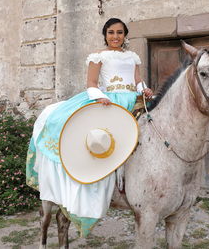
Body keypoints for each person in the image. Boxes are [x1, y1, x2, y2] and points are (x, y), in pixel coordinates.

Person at [26, 18, 153, 237]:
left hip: (133, 100)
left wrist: (145, 89)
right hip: (107, 100)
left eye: (120, 33)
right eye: (111, 32)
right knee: (101, 139)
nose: (115, 37)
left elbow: (137, 80)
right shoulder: (98, 56)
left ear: (125, 35)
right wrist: (101, 97)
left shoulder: (133, 57)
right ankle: (94, 181)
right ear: (105, 35)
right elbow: (92, 84)